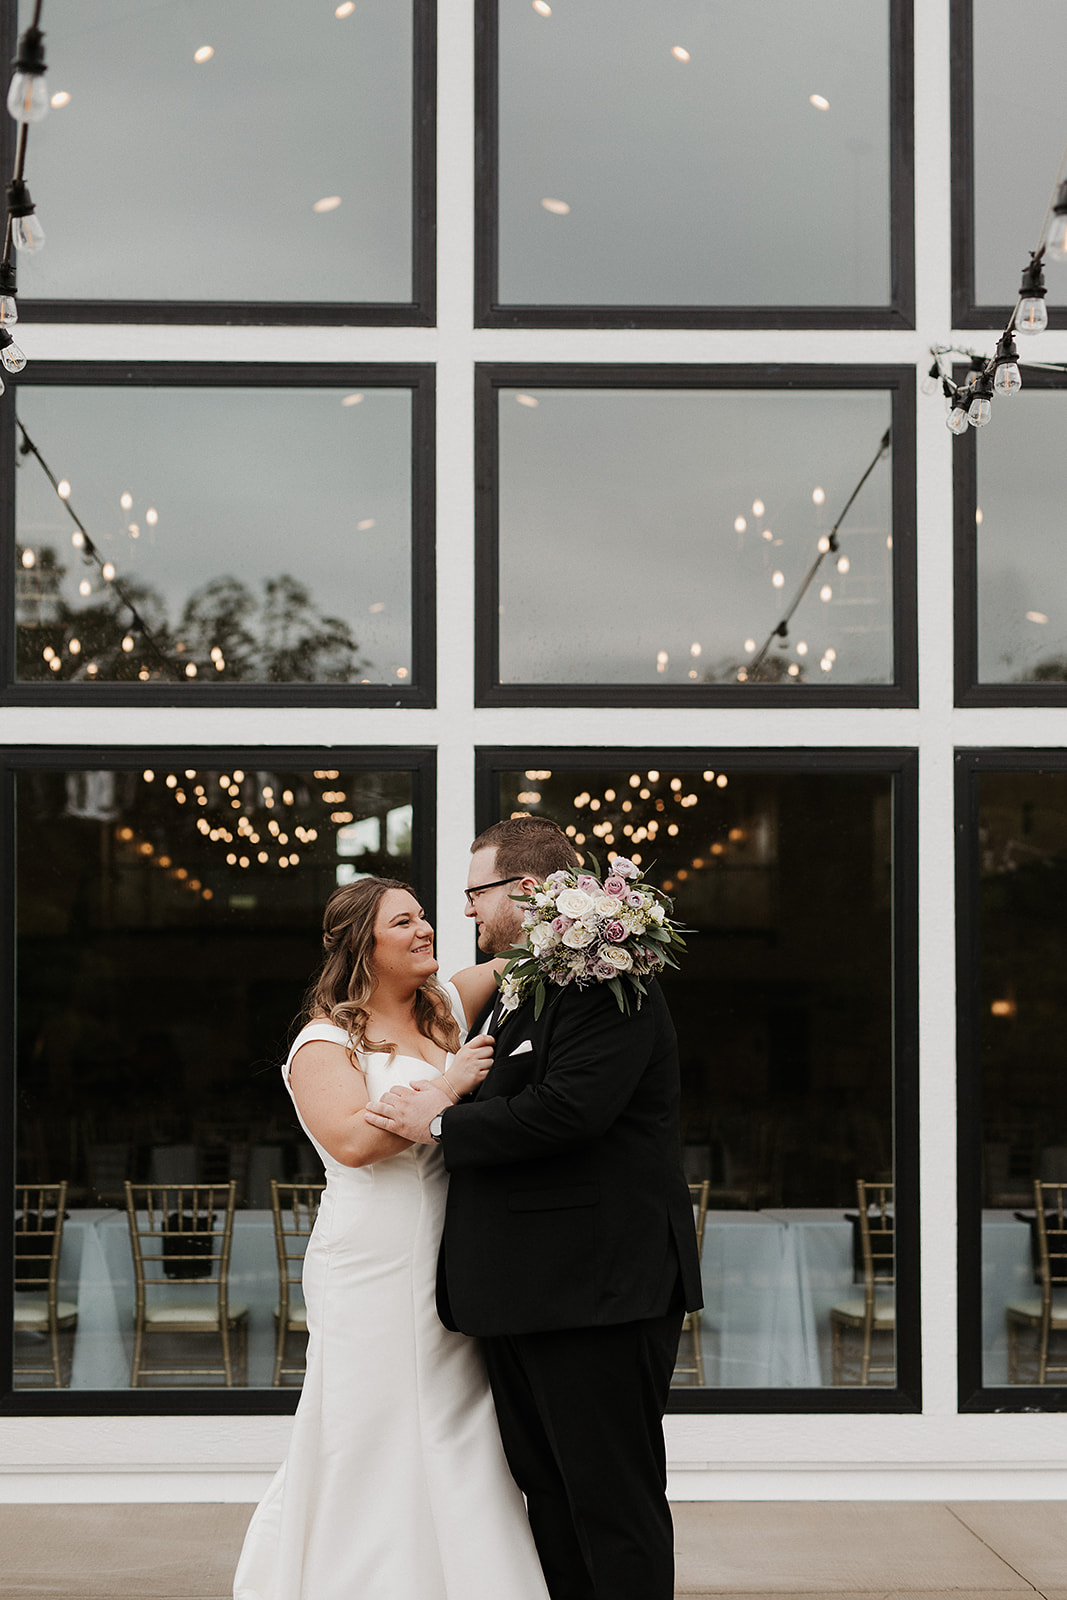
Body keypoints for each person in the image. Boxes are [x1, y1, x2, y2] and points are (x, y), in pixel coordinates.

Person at [365, 817, 703, 1600]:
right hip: (527, 1292)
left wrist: (439, 1122)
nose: (467, 915)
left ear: (521, 889)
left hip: (596, 1289)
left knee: (610, 1502)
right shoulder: (527, 981)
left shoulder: (604, 980)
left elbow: (568, 1112)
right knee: (549, 1495)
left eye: (472, 896)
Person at [233, 876, 550, 1600]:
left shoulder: (443, 1012)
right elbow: (347, 1141)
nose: (425, 930)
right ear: (362, 947)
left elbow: (523, 952)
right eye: (402, 923)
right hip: (371, 1257)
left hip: (451, 1249)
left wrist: (575, 899)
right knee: (367, 1421)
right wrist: (448, 1089)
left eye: (426, 916)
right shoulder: (325, 1041)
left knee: (455, 1420)